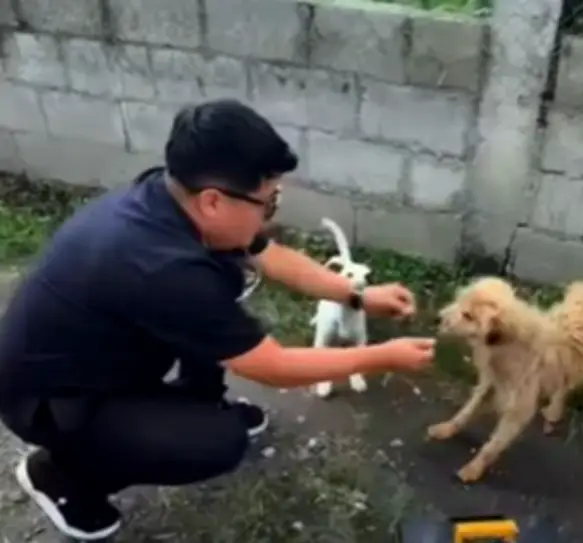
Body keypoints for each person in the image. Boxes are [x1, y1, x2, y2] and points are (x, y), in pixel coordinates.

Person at [0, 99, 436, 540]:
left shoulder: (169, 196)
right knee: (218, 443)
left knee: (225, 276)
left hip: (99, 355)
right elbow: (274, 367)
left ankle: (192, 400)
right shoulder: (166, 269)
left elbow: (268, 254)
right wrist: (382, 356)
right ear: (212, 201)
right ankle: (63, 476)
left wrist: (358, 296)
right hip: (51, 402)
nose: (271, 213)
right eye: (268, 203)